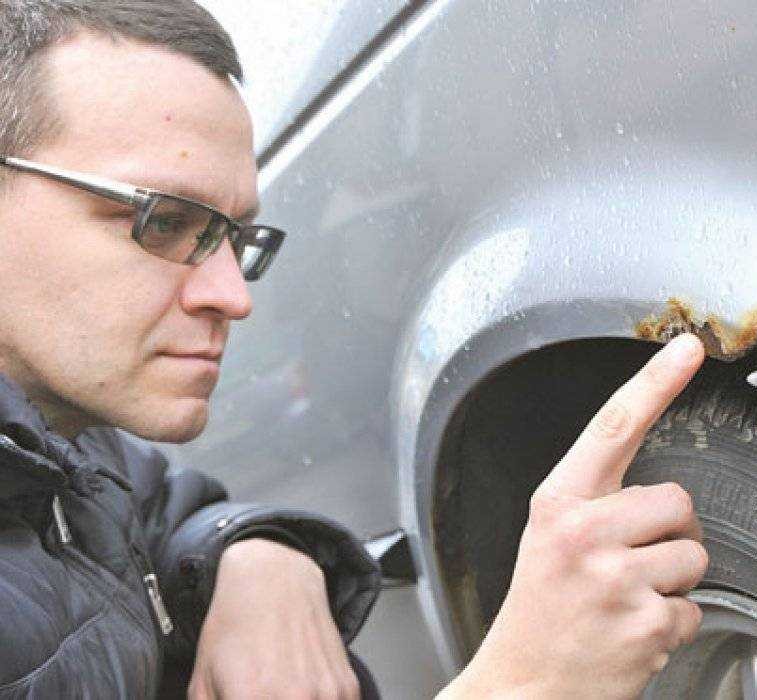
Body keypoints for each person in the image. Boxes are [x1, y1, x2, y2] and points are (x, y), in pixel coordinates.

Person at [0, 0, 708, 698]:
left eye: (235, 239)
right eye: (164, 221)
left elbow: (151, 512)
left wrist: (250, 558)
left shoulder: (70, 443)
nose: (233, 296)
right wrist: (526, 683)